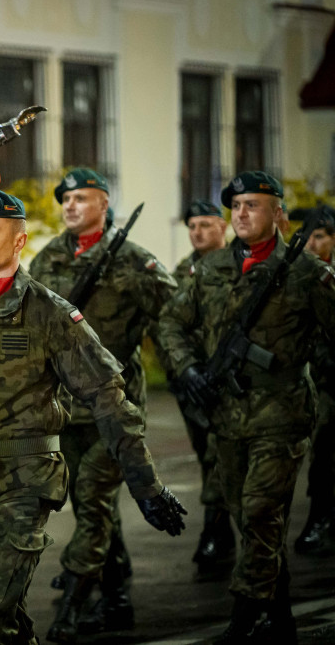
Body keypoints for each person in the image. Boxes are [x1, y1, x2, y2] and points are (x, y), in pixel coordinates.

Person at [0, 188, 186, 644]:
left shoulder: (49, 312)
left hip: (23, 483)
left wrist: (145, 484)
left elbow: (109, 398)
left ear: (18, 241)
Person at [159, 172, 335, 641]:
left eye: (252, 205)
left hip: (281, 414)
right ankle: (279, 618)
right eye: (235, 206)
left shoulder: (308, 273)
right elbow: (171, 322)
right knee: (246, 517)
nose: (241, 214)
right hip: (226, 414)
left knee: (260, 513)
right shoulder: (211, 269)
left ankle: (245, 616)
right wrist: (189, 369)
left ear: (278, 213)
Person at [28, 168, 178, 640]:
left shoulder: (135, 261)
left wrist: (184, 372)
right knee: (92, 502)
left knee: (93, 502)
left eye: (81, 198)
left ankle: (73, 605)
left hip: (113, 407)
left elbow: (173, 319)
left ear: (104, 203)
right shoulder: (49, 257)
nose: (71, 206)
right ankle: (115, 591)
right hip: (63, 406)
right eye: (66, 199)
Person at [171, 201, 234, 578]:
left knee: (217, 455)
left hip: (226, 380)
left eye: (206, 225)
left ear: (222, 227)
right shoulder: (183, 270)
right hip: (190, 380)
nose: (197, 232)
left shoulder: (239, 267)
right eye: (192, 226)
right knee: (204, 454)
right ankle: (221, 528)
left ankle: (215, 530)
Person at [293, 205, 335, 555]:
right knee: (321, 447)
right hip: (319, 381)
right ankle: (319, 517)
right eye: (307, 236)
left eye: (319, 236)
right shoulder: (302, 274)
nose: (311, 243)